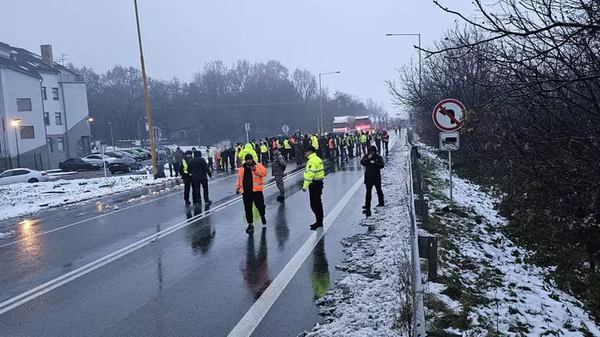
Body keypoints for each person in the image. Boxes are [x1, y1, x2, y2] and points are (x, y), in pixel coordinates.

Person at [236, 153, 268, 234]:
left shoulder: (257, 165)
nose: (248, 161)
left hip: (256, 191)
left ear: (252, 159)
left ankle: (262, 215)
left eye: (249, 159)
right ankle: (250, 224)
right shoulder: (242, 168)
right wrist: (237, 188)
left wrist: (255, 170)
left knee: (260, 205)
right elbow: (239, 179)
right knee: (248, 209)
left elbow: (264, 173)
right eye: (247, 160)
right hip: (246, 192)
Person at [303, 146, 325, 230]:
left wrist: (305, 186)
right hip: (319, 183)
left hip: (314, 184)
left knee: (314, 204)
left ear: (310, 151)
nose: (305, 153)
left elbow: (310, 175)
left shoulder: (311, 161)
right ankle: (319, 220)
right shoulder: (317, 159)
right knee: (318, 203)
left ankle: (319, 221)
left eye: (306, 151)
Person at [360, 145, 385, 217]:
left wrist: (375, 163)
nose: (371, 152)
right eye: (370, 151)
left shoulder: (378, 157)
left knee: (379, 190)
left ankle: (381, 202)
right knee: (368, 192)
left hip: (376, 177)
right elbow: (362, 162)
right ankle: (367, 205)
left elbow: (382, 165)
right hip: (368, 177)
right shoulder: (367, 156)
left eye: (373, 151)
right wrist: (368, 159)